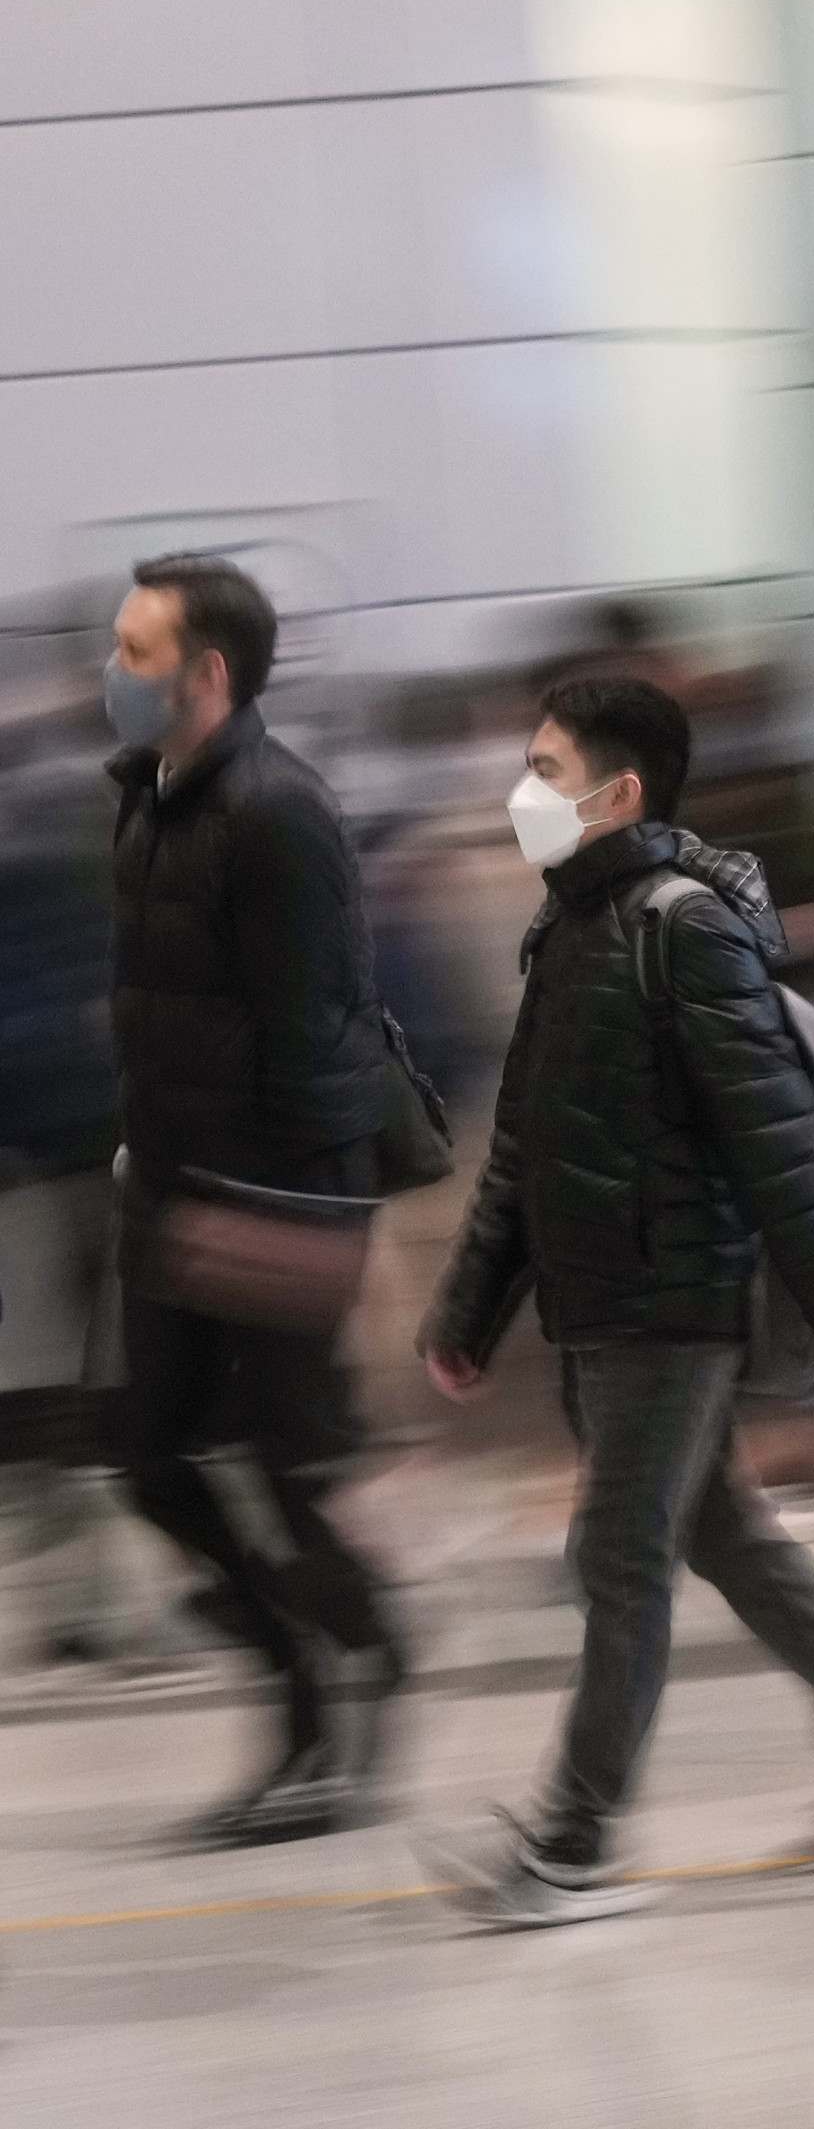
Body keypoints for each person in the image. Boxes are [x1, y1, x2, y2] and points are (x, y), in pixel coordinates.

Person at [413, 677, 814, 1925]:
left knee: (618, 1555)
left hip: (674, 1296)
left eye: (547, 771)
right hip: (600, 1296)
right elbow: (521, 1152)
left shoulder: (685, 928)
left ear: (619, 795)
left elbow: (773, 1134)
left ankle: (577, 1835)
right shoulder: (564, 933)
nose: (523, 793)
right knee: (724, 1534)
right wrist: (468, 1308)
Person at [99, 554, 410, 1848]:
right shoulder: (149, 801)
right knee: (150, 1463)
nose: (111, 673)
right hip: (169, 1189)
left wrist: (300, 1214)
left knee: (289, 1471)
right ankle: (332, 1661)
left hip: (277, 1194)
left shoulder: (280, 812)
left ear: (205, 671)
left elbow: (319, 1029)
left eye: (132, 650)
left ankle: (333, 1721)